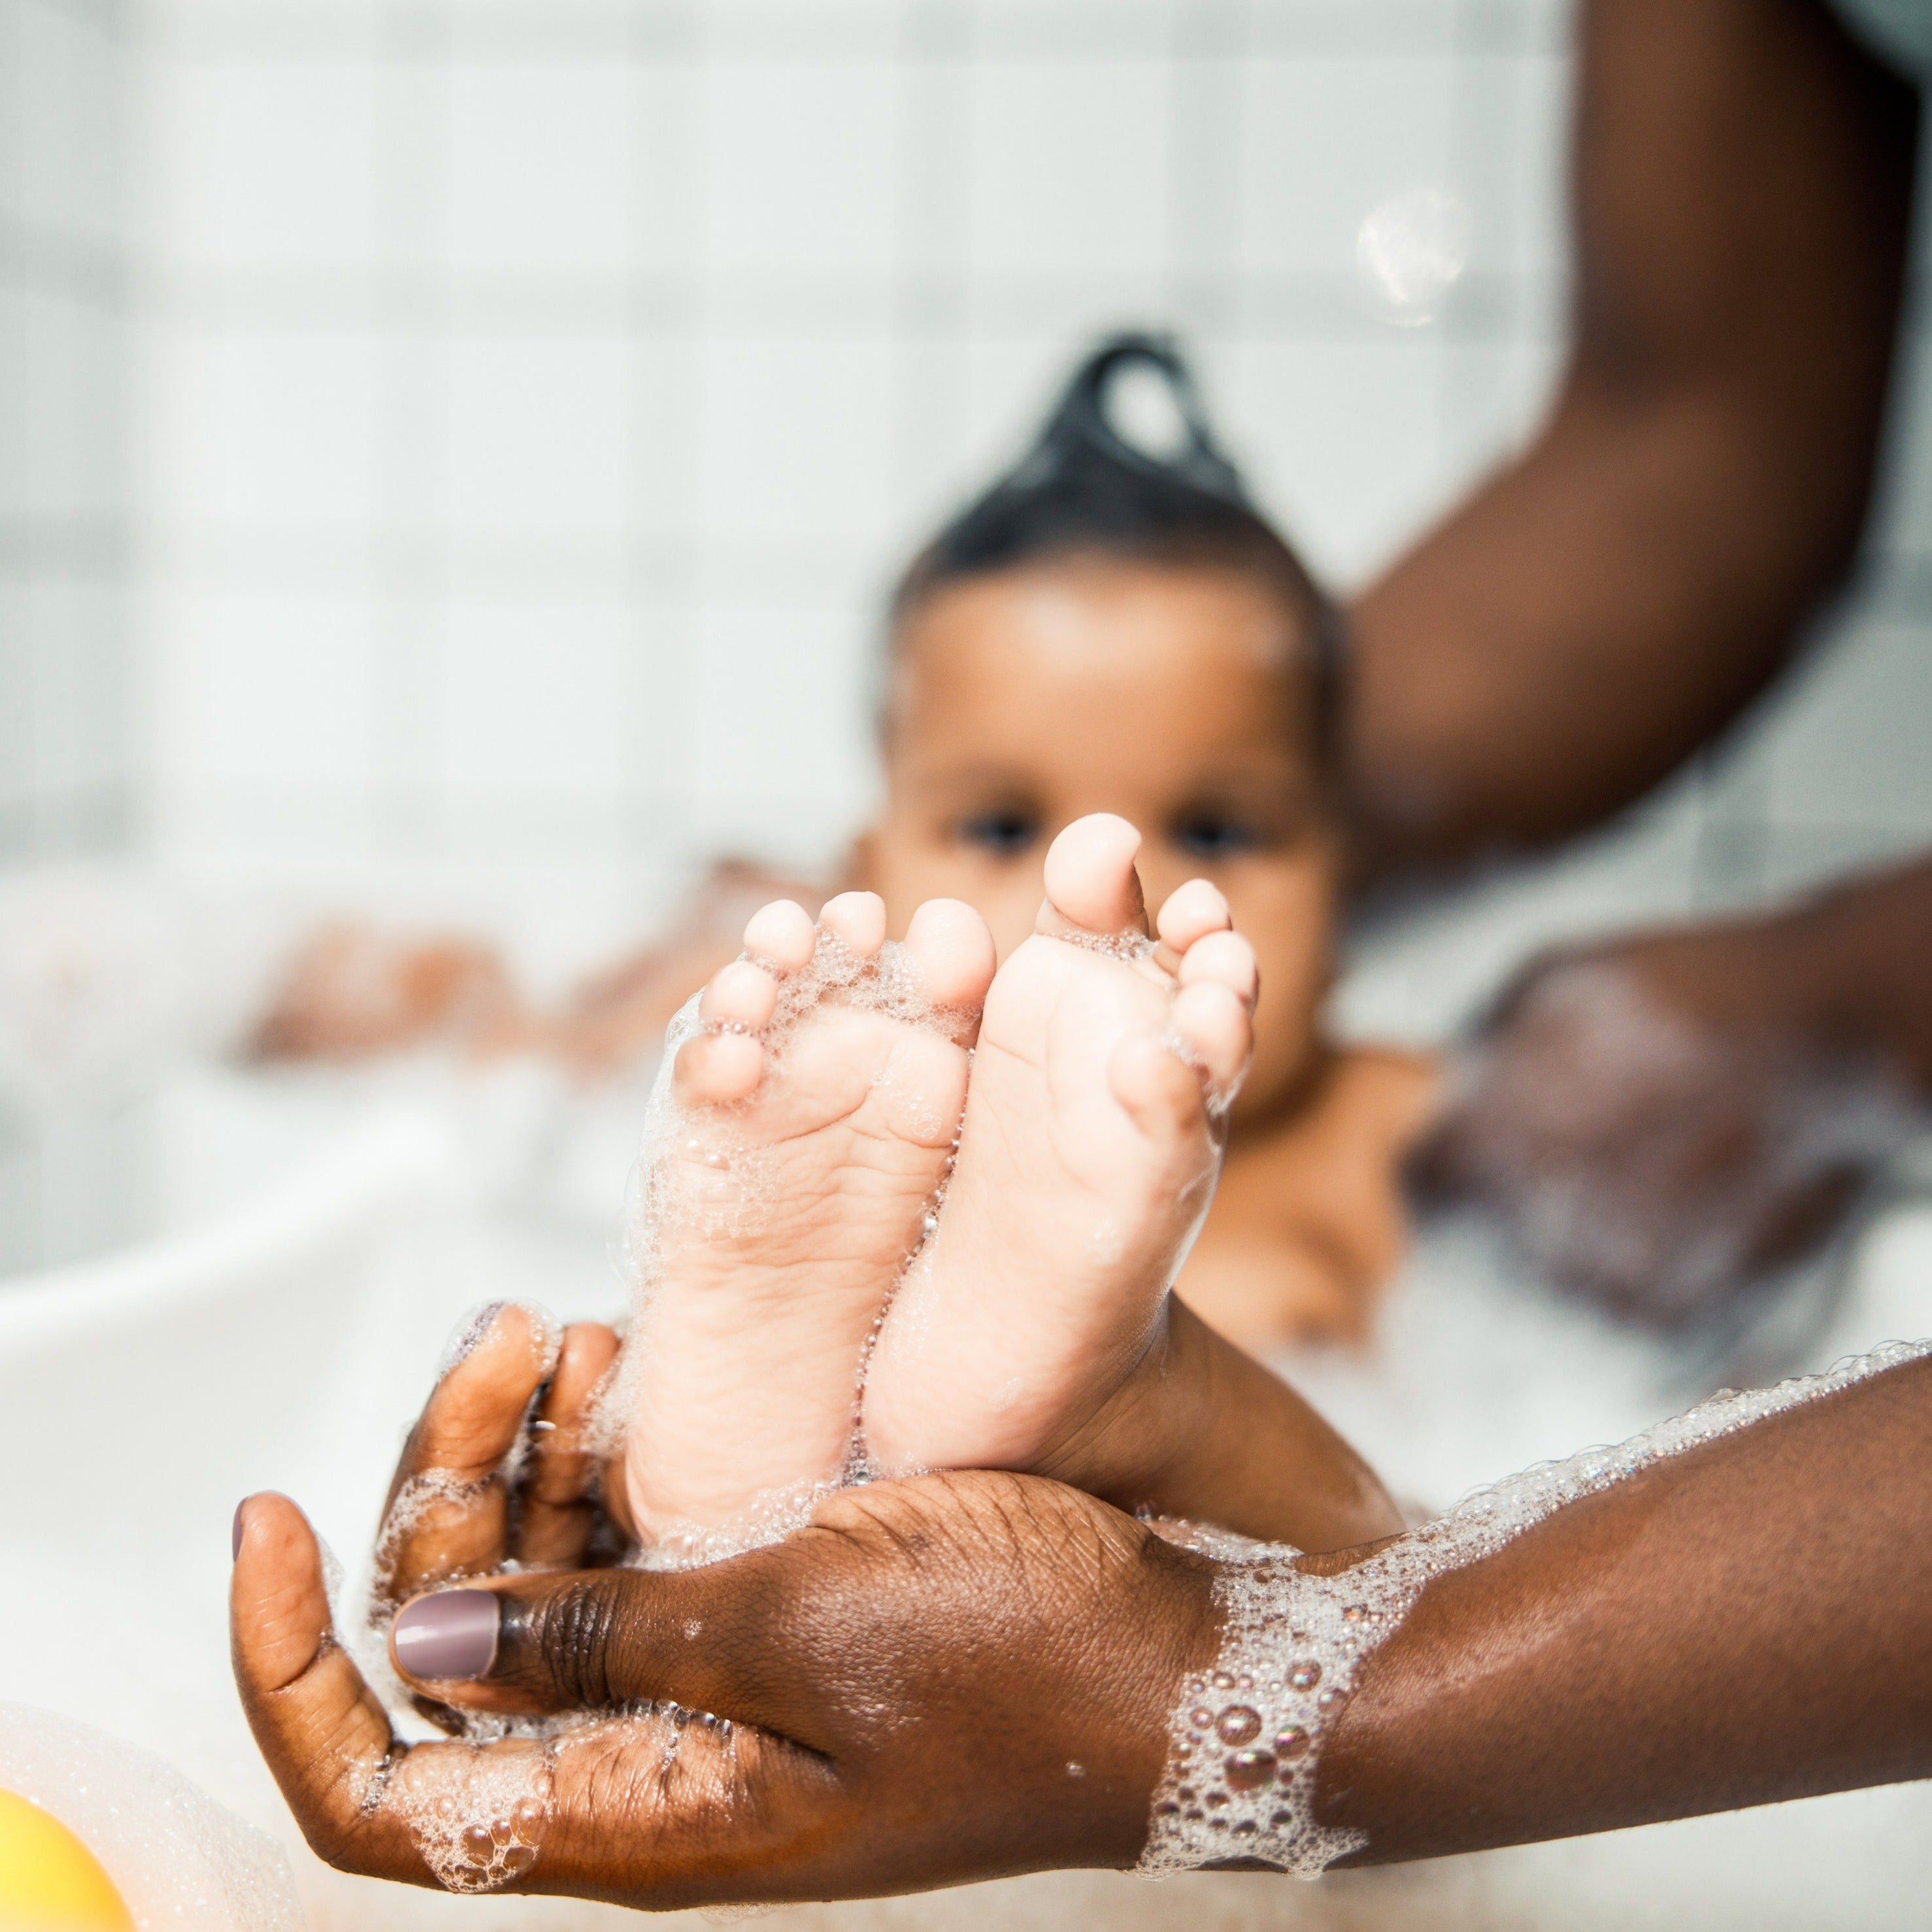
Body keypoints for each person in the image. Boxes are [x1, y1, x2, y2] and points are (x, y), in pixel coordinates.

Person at [255, 335, 1441, 1356]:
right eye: (999, 826)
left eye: (1218, 828)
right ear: (868, 876)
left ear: (1348, 882)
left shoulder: (1395, 1146)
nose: (1103, 901)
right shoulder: (828, 1097)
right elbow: (492, 1038)